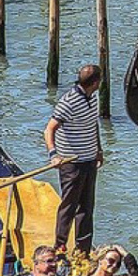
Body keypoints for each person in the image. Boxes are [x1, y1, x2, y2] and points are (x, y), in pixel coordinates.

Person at [44, 61, 103, 252]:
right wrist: (54, 155)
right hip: (71, 163)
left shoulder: (93, 98)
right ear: (95, 82)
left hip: (89, 160)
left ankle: (83, 249)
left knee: (87, 207)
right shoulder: (68, 101)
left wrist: (98, 150)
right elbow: (49, 130)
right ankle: (60, 246)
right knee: (69, 206)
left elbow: (93, 124)